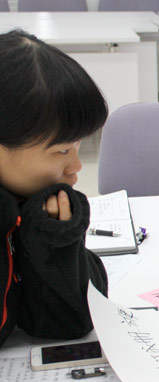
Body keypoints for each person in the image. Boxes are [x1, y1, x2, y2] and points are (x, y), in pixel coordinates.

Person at [0, 30, 109, 349]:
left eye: (77, 147)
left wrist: (55, 243)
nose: (76, 166)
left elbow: (72, 322)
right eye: (61, 151)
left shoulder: (28, 204)